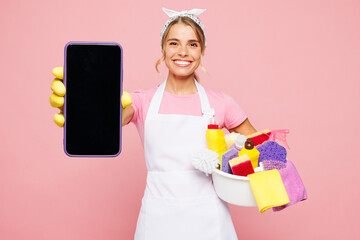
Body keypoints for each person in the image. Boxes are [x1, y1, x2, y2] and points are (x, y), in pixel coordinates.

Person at [50, 8, 257, 240]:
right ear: (163, 49)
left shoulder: (223, 104)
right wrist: (77, 105)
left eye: (192, 44)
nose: (183, 52)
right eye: (174, 43)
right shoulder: (141, 101)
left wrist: (232, 162)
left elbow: (259, 149)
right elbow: (107, 116)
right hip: (158, 220)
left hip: (210, 220)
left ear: (202, 51)